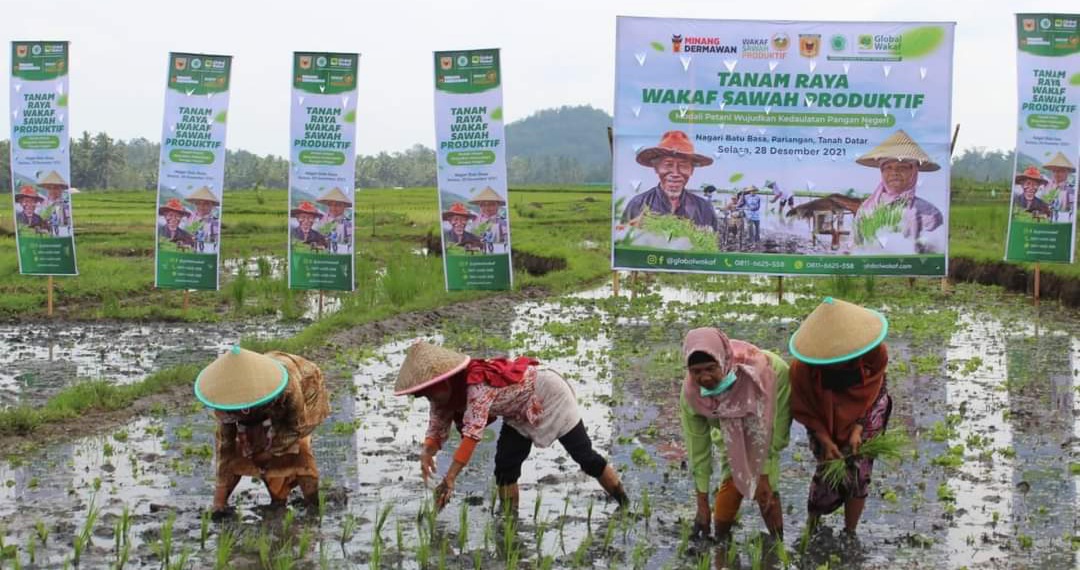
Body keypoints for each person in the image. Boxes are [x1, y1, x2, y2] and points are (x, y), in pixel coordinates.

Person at [394, 341, 629, 514]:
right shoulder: (441, 397)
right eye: (423, 395)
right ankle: (509, 524)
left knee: (585, 457)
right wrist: (427, 451)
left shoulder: (477, 385)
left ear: (444, 379)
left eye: (430, 392)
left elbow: (472, 434)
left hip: (548, 394)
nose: (429, 398)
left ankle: (625, 504)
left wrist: (450, 478)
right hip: (518, 413)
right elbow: (436, 426)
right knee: (505, 467)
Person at [788, 297, 893, 537]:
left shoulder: (874, 352)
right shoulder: (802, 369)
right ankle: (812, 525)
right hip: (823, 419)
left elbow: (876, 386)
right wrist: (824, 438)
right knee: (828, 469)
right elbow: (804, 406)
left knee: (859, 471)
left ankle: (850, 531)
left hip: (868, 410)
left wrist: (859, 427)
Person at [680, 327, 791, 542]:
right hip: (723, 415)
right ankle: (721, 539)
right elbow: (698, 450)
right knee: (731, 469)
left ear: (722, 361)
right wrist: (701, 503)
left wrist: (764, 474)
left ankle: (778, 545)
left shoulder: (763, 375)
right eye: (696, 371)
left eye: (711, 368)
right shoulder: (691, 396)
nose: (704, 377)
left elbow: (764, 432)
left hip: (768, 396)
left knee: (766, 483)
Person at [195, 346, 330, 519]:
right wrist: (218, 503)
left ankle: (313, 505)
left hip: (302, 390)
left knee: (298, 450)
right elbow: (225, 445)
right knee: (241, 449)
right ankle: (271, 498)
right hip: (263, 406)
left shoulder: (288, 387)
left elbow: (296, 427)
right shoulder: (225, 401)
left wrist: (268, 452)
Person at [852, 130, 944, 251]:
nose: (894, 172)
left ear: (913, 172)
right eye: (888, 168)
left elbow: (935, 253)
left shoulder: (929, 212)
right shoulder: (867, 207)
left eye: (902, 167)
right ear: (882, 172)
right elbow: (855, 245)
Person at [621, 130, 718, 231]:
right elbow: (623, 239)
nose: (675, 173)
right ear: (656, 168)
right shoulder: (638, 203)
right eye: (668, 165)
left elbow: (714, 244)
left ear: (691, 170)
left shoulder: (704, 208)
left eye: (683, 165)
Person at [316, 187, 353, 254]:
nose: (333, 208)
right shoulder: (322, 220)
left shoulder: (348, 223)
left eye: (337, 205)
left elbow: (349, 242)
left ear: (344, 207)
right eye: (331, 205)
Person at [1043, 152, 1075, 221]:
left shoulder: (1070, 190)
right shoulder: (1047, 187)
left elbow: (1072, 209)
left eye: (1060, 171)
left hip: (1063, 220)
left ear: (1067, 172)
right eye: (1054, 171)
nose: (1056, 173)